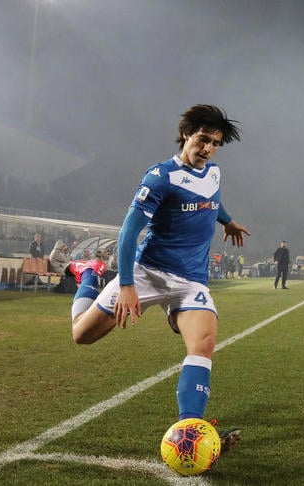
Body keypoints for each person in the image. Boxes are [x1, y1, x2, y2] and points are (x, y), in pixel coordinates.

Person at [68, 104, 250, 450]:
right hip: (147, 272)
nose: (208, 148)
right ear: (186, 134)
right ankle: (89, 276)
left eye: (215, 143)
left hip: (191, 281)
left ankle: (190, 432)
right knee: (82, 335)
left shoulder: (213, 173)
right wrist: (126, 286)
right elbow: (127, 233)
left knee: (204, 342)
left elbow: (212, 200)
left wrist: (227, 220)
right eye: (202, 139)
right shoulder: (160, 177)